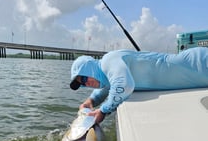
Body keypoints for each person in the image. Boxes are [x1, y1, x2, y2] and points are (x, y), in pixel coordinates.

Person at [70, 47, 208, 123]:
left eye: (83, 77)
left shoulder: (108, 60)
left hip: (199, 63)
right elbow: (108, 87)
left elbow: (124, 85)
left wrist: (103, 111)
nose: (86, 83)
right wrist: (91, 101)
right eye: (82, 84)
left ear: (90, 68)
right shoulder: (108, 75)